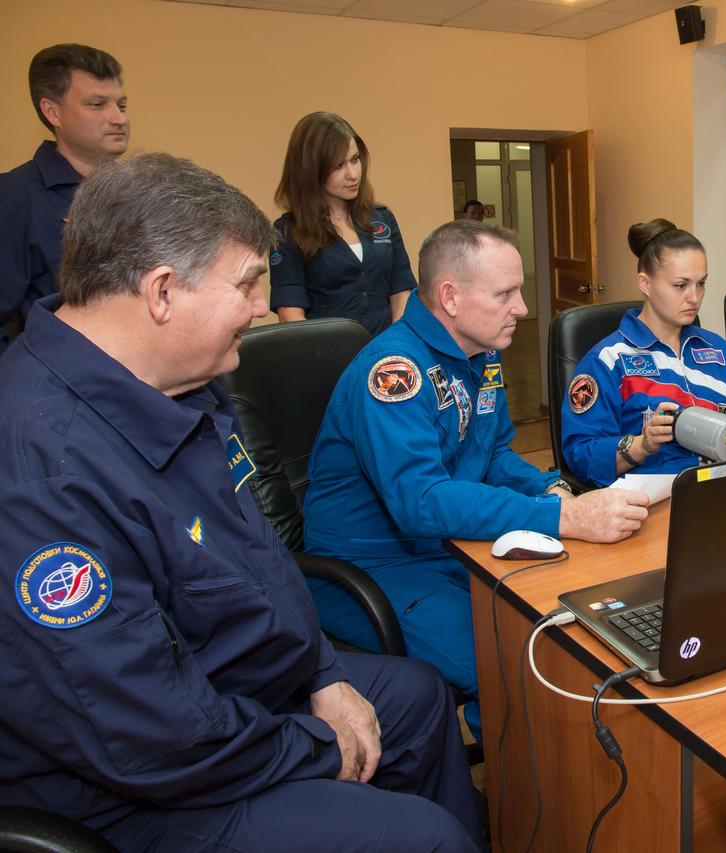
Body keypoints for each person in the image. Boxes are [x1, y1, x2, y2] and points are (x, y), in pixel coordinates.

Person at [0, 153, 484, 852]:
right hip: (134, 790)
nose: (265, 308)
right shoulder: (42, 468)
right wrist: (317, 743)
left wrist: (321, 671)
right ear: (163, 292)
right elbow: (149, 735)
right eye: (249, 283)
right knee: (424, 837)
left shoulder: (180, 382)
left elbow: (258, 549)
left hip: (232, 687)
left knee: (419, 700)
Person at [303, 219, 650, 739]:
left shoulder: (479, 355)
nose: (523, 309)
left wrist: (547, 488)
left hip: (447, 548)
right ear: (451, 298)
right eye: (505, 293)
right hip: (373, 567)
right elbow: (420, 501)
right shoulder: (393, 372)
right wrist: (563, 516)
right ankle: (508, 793)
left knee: (570, 623)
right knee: (522, 659)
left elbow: (492, 454)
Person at [561, 219, 726, 487]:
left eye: (701, 284)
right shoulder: (609, 361)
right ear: (645, 283)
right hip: (652, 500)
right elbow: (581, 454)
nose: (694, 297)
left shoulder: (719, 351)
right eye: (681, 285)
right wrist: (641, 445)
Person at [0, 43, 128, 354]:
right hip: (63, 385)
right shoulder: (15, 197)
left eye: (121, 106)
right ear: (52, 112)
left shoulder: (137, 191)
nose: (118, 119)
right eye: (97, 104)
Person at [270, 112, 416, 336]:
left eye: (355, 160)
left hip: (386, 354)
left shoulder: (382, 219)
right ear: (311, 170)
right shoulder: (288, 232)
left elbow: (401, 291)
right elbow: (291, 316)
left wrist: (393, 345)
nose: (353, 174)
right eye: (339, 166)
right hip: (328, 358)